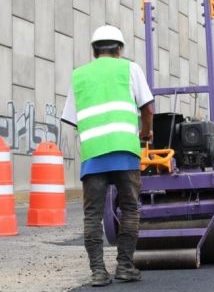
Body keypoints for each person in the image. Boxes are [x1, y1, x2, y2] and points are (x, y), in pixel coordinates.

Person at [61, 25, 154, 286]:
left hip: (93, 154)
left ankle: (98, 273)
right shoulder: (130, 68)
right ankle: (125, 266)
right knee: (130, 209)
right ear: (120, 49)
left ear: (93, 50)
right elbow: (148, 108)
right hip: (125, 150)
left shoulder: (79, 75)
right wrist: (145, 134)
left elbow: (73, 119)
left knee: (92, 215)